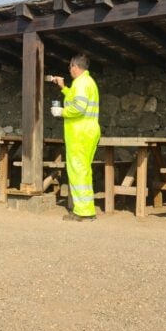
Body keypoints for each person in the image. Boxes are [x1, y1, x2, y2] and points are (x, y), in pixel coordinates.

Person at [50, 53, 101, 221]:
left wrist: (61, 112)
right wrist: (64, 87)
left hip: (80, 133)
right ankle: (86, 209)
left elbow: (78, 107)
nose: (69, 70)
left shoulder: (80, 83)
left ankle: (83, 212)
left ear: (75, 67)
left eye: (70, 67)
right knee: (84, 170)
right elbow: (77, 100)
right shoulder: (88, 82)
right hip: (89, 130)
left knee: (78, 171)